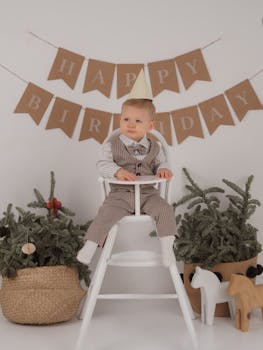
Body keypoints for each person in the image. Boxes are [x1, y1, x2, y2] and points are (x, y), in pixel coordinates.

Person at [77, 70, 176, 267]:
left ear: (150, 125)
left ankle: (167, 249)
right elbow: (102, 164)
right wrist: (117, 171)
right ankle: (89, 246)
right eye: (126, 119)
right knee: (105, 215)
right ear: (120, 119)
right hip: (120, 195)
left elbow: (162, 162)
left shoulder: (155, 147)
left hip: (149, 194)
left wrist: (163, 169)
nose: (130, 124)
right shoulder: (111, 145)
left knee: (165, 210)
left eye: (138, 121)